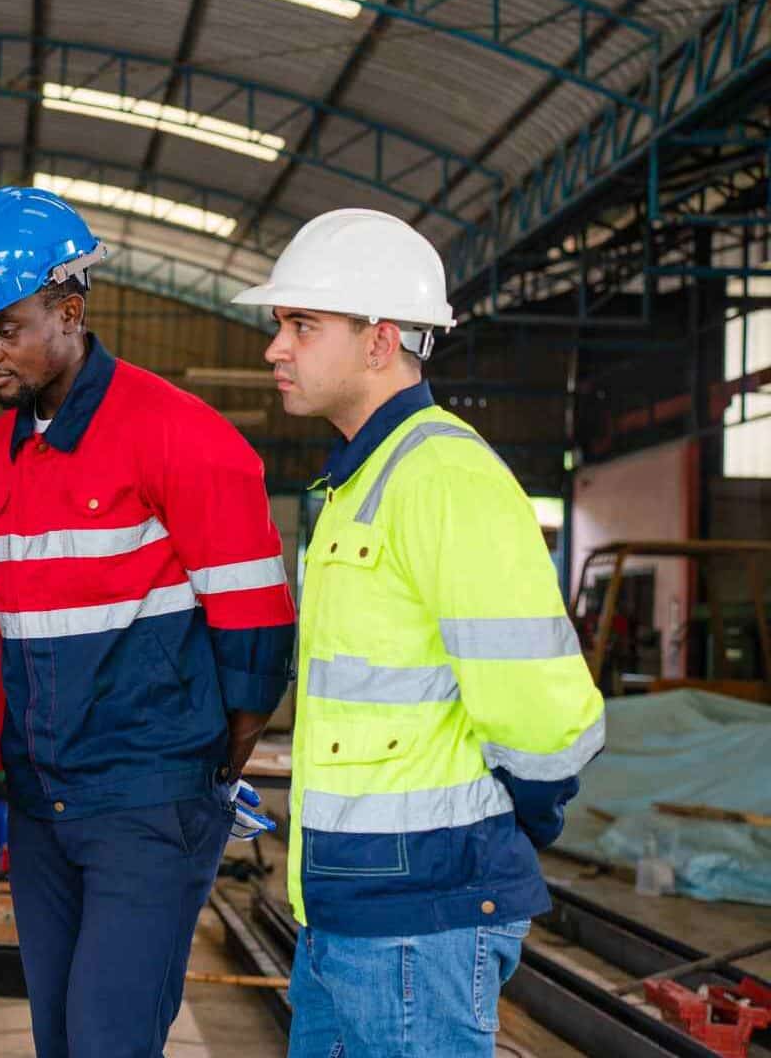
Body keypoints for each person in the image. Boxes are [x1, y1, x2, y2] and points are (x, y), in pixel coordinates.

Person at [0, 186, 296, 1058]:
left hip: (146, 801)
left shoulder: (181, 435)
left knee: (109, 1039)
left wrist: (199, 770)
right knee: (58, 1037)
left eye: (6, 328)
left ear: (70, 310)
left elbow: (256, 625)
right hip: (41, 799)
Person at [235, 208, 604, 1057]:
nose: (275, 348)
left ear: (380, 341)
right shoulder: (358, 484)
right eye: (280, 324)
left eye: (302, 325)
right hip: (346, 905)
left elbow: (544, 714)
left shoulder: (444, 478)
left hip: (420, 917)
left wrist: (506, 829)